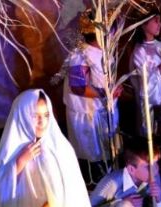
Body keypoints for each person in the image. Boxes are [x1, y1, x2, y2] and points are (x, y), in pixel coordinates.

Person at [0, 89, 98, 207]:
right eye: (35, 116)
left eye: (46, 115)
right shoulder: (11, 148)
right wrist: (20, 162)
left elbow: (62, 194)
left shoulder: (58, 148)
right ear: (22, 115)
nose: (42, 122)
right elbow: (2, 188)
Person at [63, 9, 121, 181]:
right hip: (87, 116)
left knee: (108, 154)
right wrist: (106, 93)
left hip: (103, 112)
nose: (112, 32)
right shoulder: (80, 55)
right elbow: (78, 87)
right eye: (109, 28)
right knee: (93, 158)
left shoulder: (104, 52)